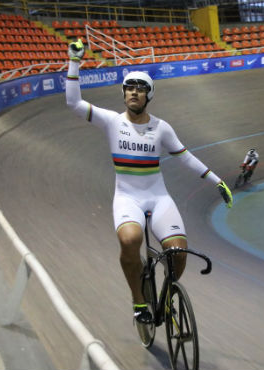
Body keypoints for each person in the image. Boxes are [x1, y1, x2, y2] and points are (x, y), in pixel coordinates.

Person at [66, 39, 233, 324]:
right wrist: (74, 61)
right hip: (128, 199)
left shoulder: (161, 128)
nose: (134, 92)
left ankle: (167, 297)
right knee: (131, 240)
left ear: (148, 96)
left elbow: (186, 157)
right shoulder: (111, 121)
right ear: (124, 94)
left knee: (178, 252)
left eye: (140, 89)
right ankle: (139, 300)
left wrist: (218, 181)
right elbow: (74, 102)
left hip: (158, 198)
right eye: (129, 88)